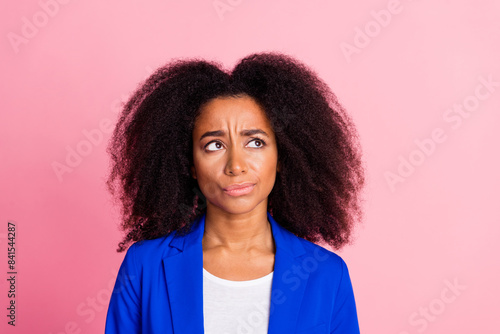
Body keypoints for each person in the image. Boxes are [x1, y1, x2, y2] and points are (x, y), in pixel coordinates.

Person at [104, 52, 366, 333]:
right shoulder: (145, 266)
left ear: (282, 156)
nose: (236, 166)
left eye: (255, 142)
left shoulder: (326, 274)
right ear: (190, 163)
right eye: (214, 145)